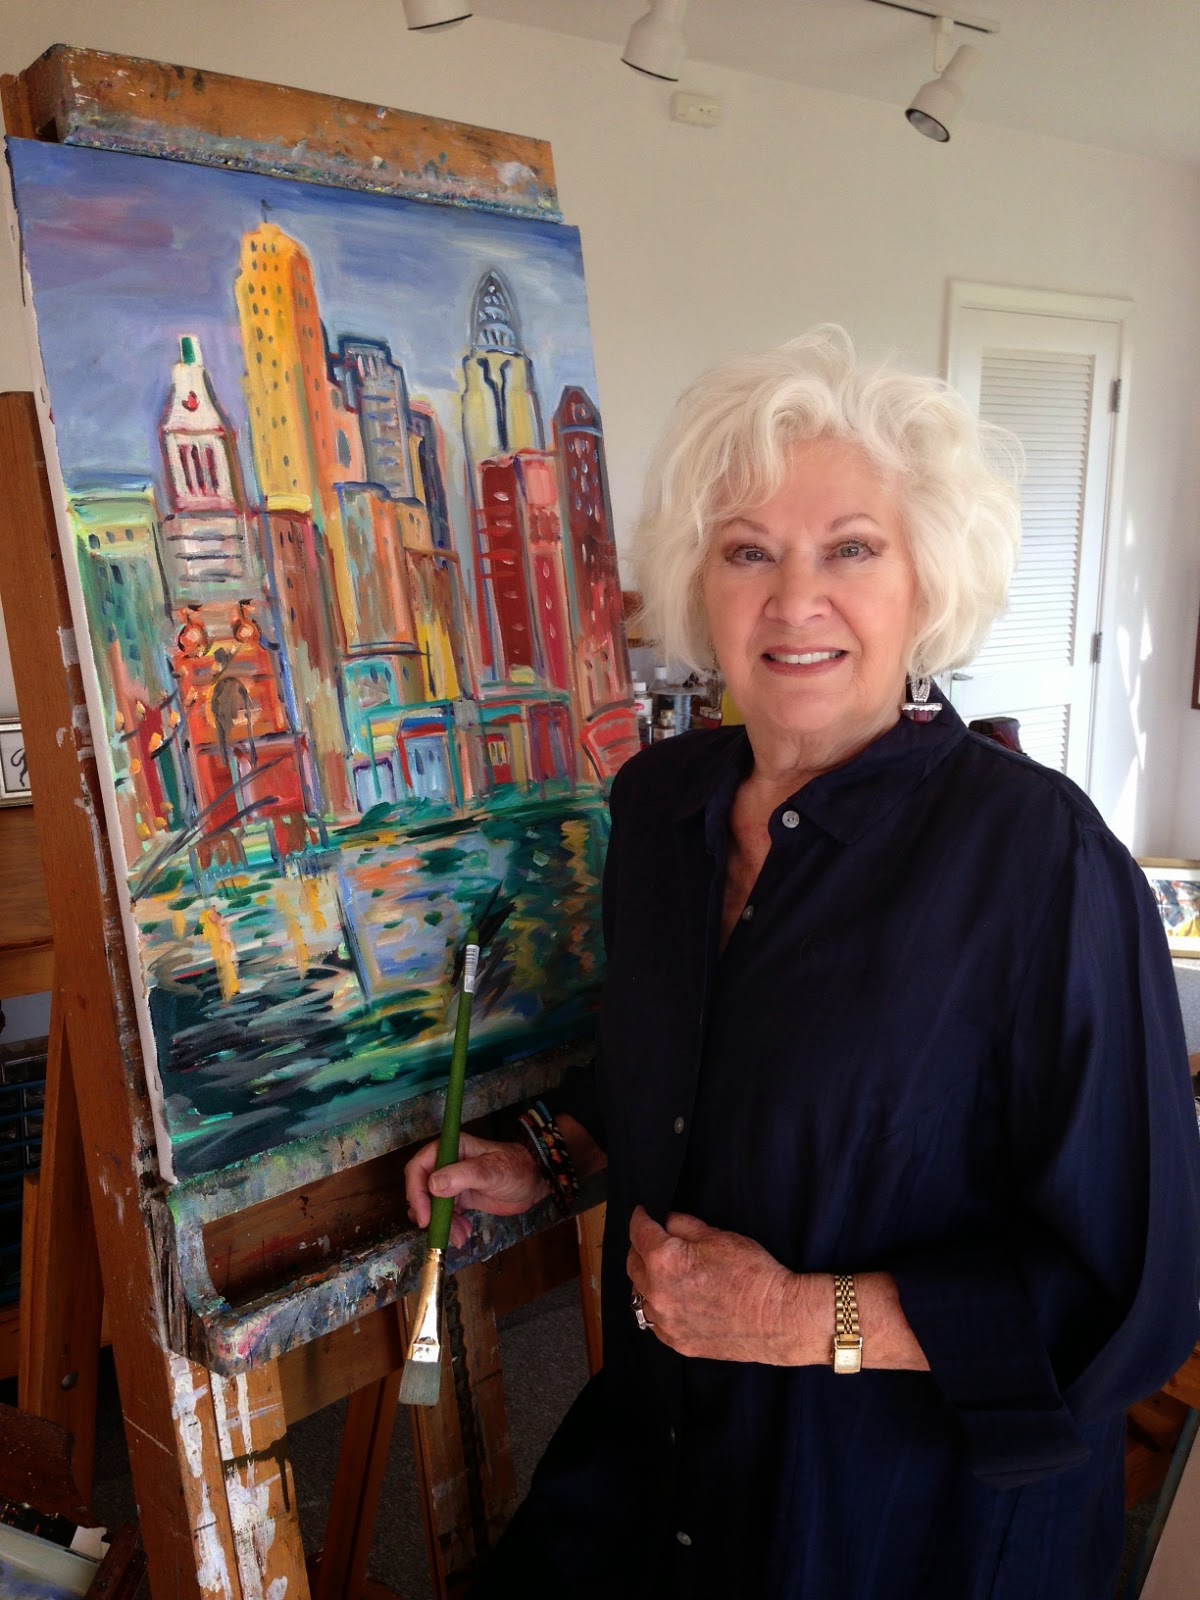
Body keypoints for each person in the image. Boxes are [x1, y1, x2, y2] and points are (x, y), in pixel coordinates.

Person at [405, 326, 1200, 1599]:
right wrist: (551, 1151)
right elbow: (682, 1070)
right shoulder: (658, 805)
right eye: (747, 552)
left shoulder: (1038, 860)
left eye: (852, 549)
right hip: (664, 1462)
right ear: (698, 582)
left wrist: (804, 1319)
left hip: (899, 1523)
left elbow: (1130, 1287)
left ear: (926, 580)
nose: (793, 600)